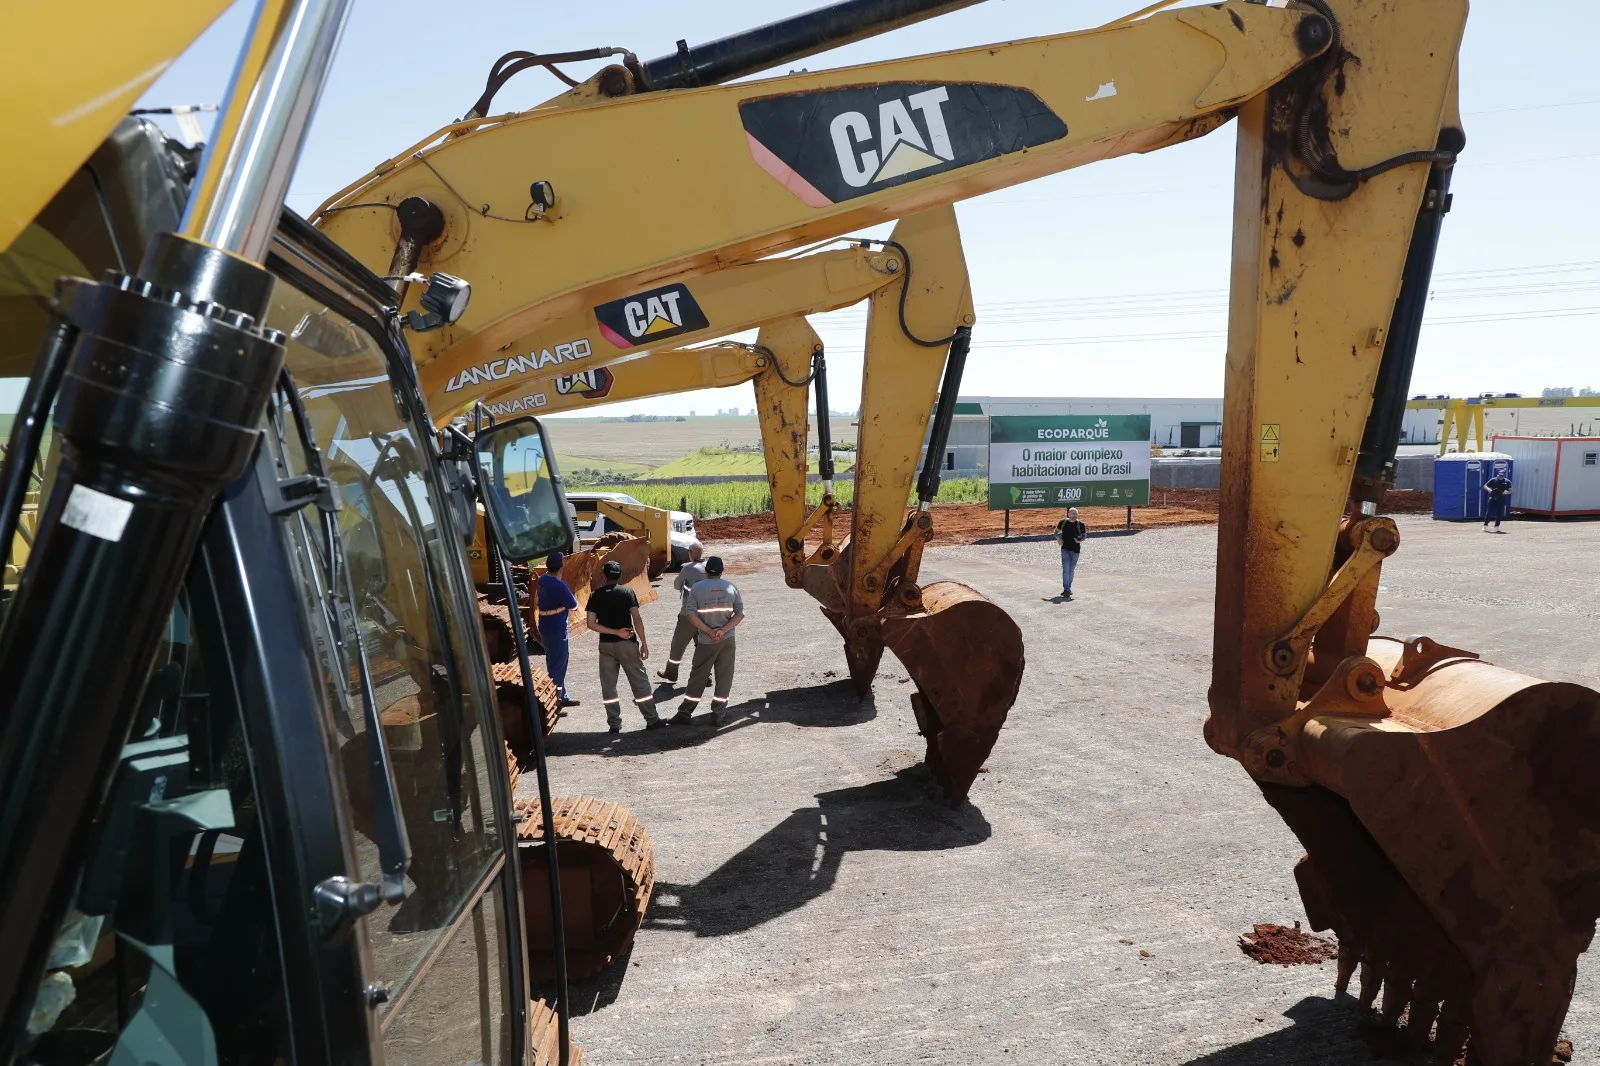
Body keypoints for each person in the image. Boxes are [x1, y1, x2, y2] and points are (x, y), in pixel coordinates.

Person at [586, 559, 663, 732]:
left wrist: (612, 632)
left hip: (606, 646)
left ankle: (614, 724)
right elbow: (637, 619)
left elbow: (591, 624)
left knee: (608, 686)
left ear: (604, 576)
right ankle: (652, 719)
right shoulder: (627, 593)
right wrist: (644, 643)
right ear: (619, 575)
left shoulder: (595, 595)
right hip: (627, 644)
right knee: (640, 683)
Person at [672, 556, 744, 724]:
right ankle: (718, 714)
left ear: (706, 572)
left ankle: (685, 713)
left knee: (698, 677)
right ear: (721, 570)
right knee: (724, 677)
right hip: (727, 640)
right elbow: (740, 613)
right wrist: (723, 630)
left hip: (706, 641)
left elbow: (690, 614)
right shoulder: (731, 587)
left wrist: (709, 631)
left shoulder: (697, 588)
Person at [655, 541, 706, 684]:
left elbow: (677, 585)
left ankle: (671, 672)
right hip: (706, 615)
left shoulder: (688, 569)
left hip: (689, 614)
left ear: (691, 553)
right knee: (702, 646)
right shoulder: (709, 567)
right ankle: (705, 676)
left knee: (678, 645)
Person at [534, 551, 580, 707]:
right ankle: (556, 699)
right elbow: (573, 605)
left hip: (545, 627)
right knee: (559, 663)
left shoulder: (542, 580)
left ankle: (562, 696)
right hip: (557, 628)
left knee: (553, 662)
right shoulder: (558, 585)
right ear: (561, 567)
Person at [1055, 506, 1087, 600]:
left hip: (1076, 550)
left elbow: (1085, 535)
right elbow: (1056, 532)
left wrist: (1080, 540)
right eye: (1073, 514)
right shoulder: (1063, 522)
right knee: (1066, 569)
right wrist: (1059, 539)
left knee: (1071, 570)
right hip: (1065, 549)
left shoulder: (1080, 524)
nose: (1075, 516)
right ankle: (1067, 589)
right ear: (1068, 514)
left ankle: (1068, 587)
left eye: (1076, 514)